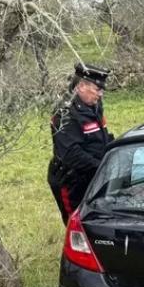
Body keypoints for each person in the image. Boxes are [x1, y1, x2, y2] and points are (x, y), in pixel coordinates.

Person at [48, 63, 113, 225]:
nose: (100, 94)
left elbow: (103, 136)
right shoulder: (65, 113)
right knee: (77, 223)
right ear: (81, 86)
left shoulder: (94, 106)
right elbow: (71, 154)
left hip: (93, 173)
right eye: (97, 89)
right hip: (71, 179)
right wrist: (102, 167)